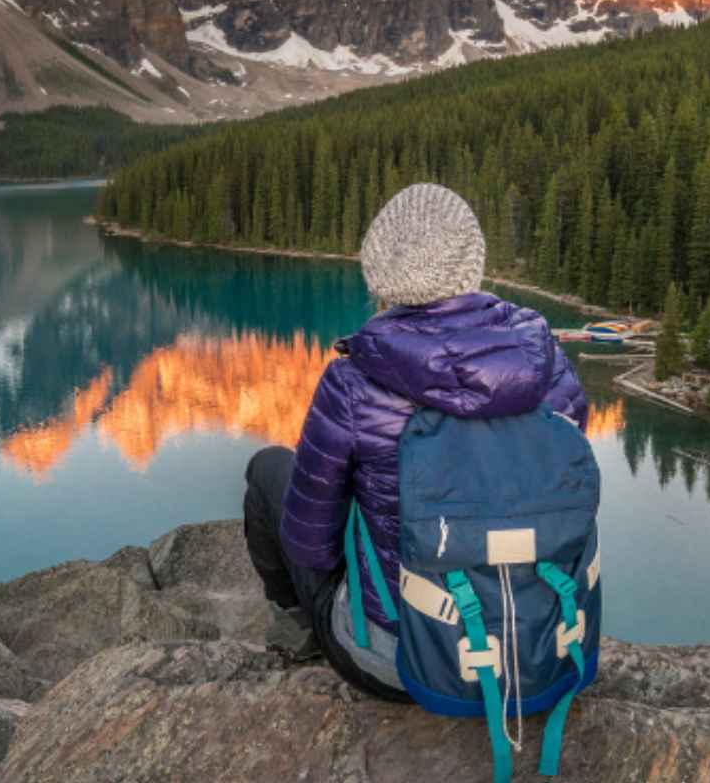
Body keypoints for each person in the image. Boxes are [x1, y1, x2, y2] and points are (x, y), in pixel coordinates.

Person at [243, 183, 590, 699]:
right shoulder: (546, 365)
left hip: (398, 661)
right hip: (537, 648)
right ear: (472, 262)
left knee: (269, 468)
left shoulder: (353, 384)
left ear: (381, 274)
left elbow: (309, 545)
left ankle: (296, 629)